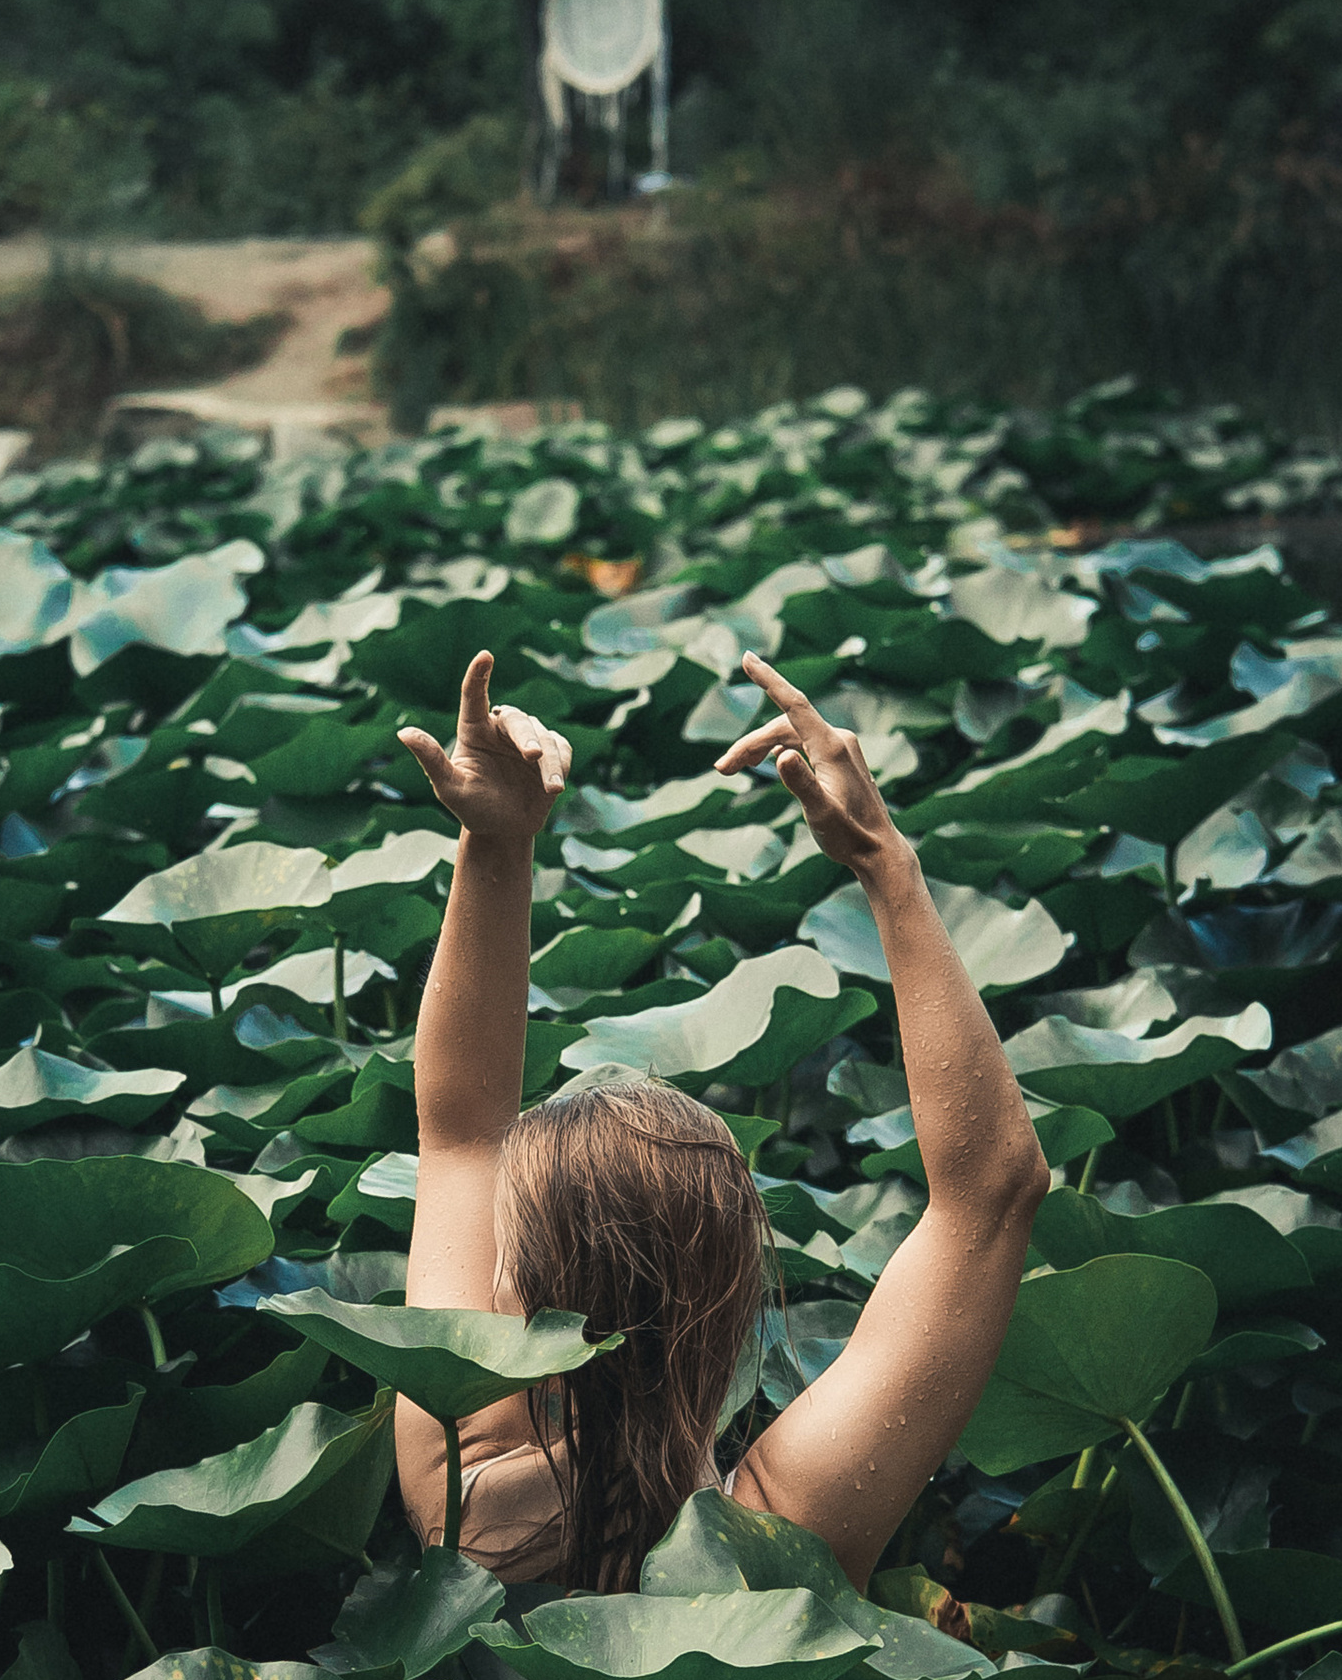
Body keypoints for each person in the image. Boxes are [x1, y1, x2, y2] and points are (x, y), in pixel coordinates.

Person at [394, 647, 1050, 1590]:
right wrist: (887, 866)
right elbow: (993, 1192)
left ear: (517, 1294)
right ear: (730, 1288)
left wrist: (496, 843)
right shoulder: (787, 1529)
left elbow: (459, 1128)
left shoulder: (457, 1486)